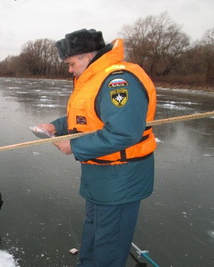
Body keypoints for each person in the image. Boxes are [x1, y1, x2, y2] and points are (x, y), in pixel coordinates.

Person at [38, 29, 156, 266]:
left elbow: (124, 133)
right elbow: (86, 118)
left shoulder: (118, 82)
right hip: (99, 175)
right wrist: (55, 126)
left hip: (120, 177)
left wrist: (74, 147)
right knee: (94, 232)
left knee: (110, 243)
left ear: (86, 56)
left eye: (71, 63)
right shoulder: (93, 78)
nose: (69, 70)